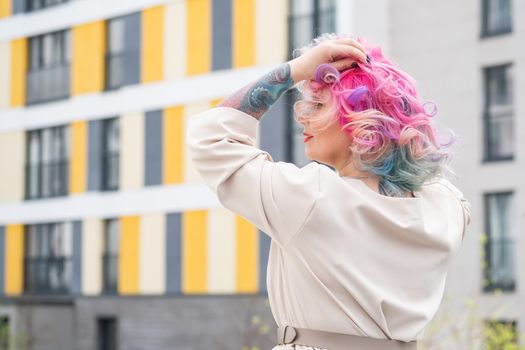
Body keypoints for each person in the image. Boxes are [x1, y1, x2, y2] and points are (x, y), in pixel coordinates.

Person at [187, 33, 472, 350]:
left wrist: (294, 70)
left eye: (318, 104)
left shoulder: (312, 198)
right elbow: (426, 174)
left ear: (363, 121)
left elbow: (210, 136)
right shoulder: (446, 207)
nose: (303, 117)